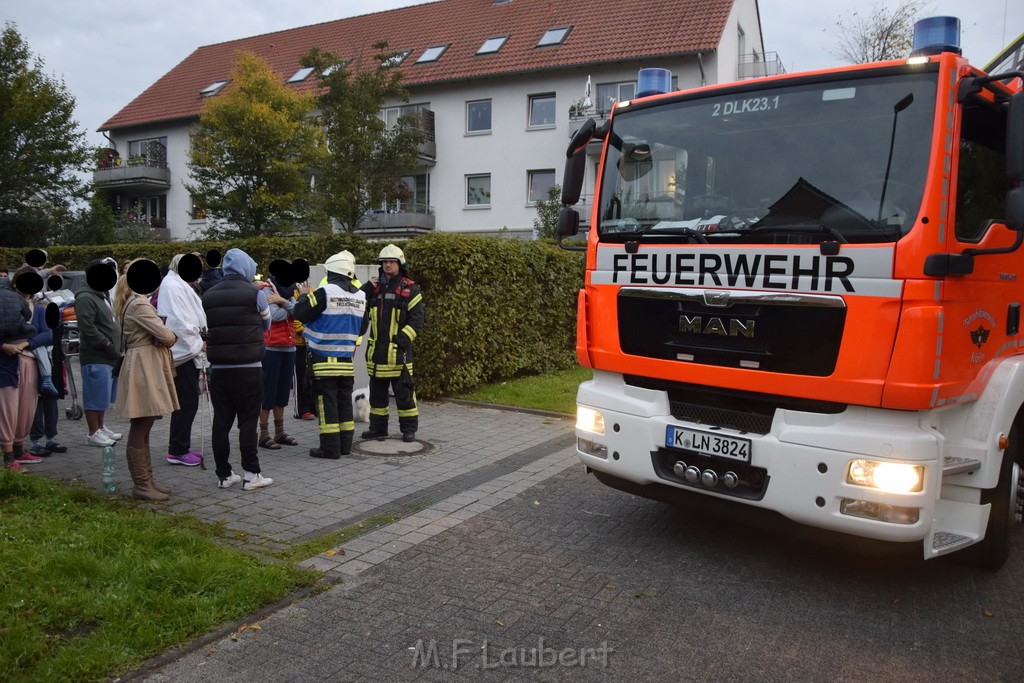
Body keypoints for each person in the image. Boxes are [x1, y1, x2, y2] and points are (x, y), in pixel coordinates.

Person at [202, 248, 274, 491]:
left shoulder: (208, 294)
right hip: (249, 367)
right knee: (247, 421)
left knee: (221, 422)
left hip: (219, 368)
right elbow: (266, 323)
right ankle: (251, 474)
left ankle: (224, 474)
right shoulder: (254, 293)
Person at [112, 259, 179, 501]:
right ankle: (142, 484)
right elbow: (167, 336)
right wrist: (166, 334)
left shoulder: (133, 301)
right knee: (141, 425)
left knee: (145, 425)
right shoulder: (139, 304)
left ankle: (147, 481)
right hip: (143, 365)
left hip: (144, 361)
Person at [294, 251, 367, 459]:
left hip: (324, 360)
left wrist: (305, 295)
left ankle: (330, 449)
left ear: (332, 272)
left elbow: (300, 313)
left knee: (327, 404)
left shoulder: (325, 292)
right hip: (346, 361)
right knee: (344, 403)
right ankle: (345, 447)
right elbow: (362, 329)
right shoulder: (360, 296)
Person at [360, 244, 424, 442]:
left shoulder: (410, 288)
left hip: (398, 354)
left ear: (400, 264)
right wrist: (367, 288)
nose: (387, 265)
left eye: (391, 261)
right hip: (377, 355)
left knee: (404, 395)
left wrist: (402, 340)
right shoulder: (374, 288)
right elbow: (357, 304)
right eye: (384, 262)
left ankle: (408, 429)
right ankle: (378, 429)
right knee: (377, 398)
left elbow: (417, 320)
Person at [156, 253, 207, 467]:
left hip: (188, 350)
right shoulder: (173, 286)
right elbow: (177, 321)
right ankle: (177, 449)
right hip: (183, 352)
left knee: (187, 401)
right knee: (186, 401)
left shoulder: (177, 284)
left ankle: (180, 446)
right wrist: (197, 343)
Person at [74, 258, 123, 447]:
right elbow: (87, 327)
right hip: (97, 355)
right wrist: (106, 345)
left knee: (103, 396)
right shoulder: (86, 297)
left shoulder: (101, 295)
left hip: (109, 356)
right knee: (94, 396)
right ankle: (93, 432)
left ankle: (101, 427)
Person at [0, 267, 43, 469]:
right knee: (7, 408)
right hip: (6, 362)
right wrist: (3, 346)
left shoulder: (40, 305)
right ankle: (8, 457)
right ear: (15, 282)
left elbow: (49, 333)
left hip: (29, 359)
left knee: (25, 409)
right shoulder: (5, 299)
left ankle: (19, 449)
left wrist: (27, 344)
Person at [257, 273, 299, 450]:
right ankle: (264, 435)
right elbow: (274, 316)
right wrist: (288, 306)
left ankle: (279, 432)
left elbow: (298, 313)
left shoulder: (287, 293)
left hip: (289, 347)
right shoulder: (265, 290)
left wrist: (282, 300)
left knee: (282, 393)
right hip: (271, 348)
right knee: (268, 393)